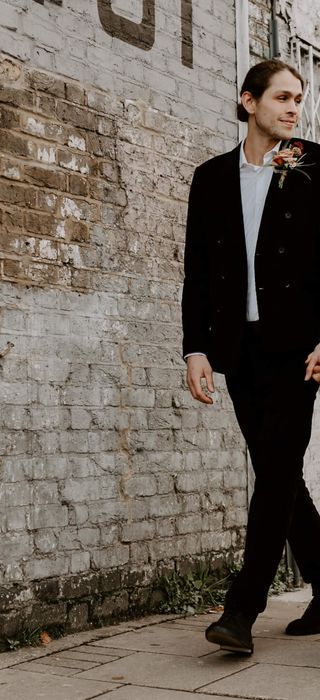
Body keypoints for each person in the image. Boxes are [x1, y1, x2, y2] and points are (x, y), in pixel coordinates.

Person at [182, 59, 320, 654]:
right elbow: (199, 273)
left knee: (275, 477)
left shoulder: (315, 167)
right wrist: (196, 348)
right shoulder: (210, 178)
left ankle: (241, 610)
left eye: (299, 98)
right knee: (278, 475)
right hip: (240, 351)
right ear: (248, 102)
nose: (294, 108)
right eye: (283, 98)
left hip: (301, 351)